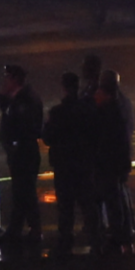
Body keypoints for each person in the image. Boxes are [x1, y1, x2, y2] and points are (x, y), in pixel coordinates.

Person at [40, 71, 92, 255]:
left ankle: (65, 240)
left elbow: (47, 137)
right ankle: (95, 237)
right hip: (83, 163)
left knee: (65, 206)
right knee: (86, 203)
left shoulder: (57, 112)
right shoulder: (86, 110)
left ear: (63, 88)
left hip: (63, 165)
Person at [0, 63, 43, 243]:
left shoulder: (26, 100)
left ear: (15, 80)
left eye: (8, 78)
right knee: (21, 192)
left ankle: (31, 230)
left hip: (24, 152)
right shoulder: (18, 99)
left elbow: (21, 125)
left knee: (25, 192)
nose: (5, 81)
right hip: (20, 151)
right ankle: (20, 230)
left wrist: (14, 145)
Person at [93, 69, 134, 253]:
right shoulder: (121, 105)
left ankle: (117, 235)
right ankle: (123, 232)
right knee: (118, 198)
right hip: (117, 161)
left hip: (111, 162)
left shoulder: (110, 112)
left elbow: (109, 139)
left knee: (113, 200)